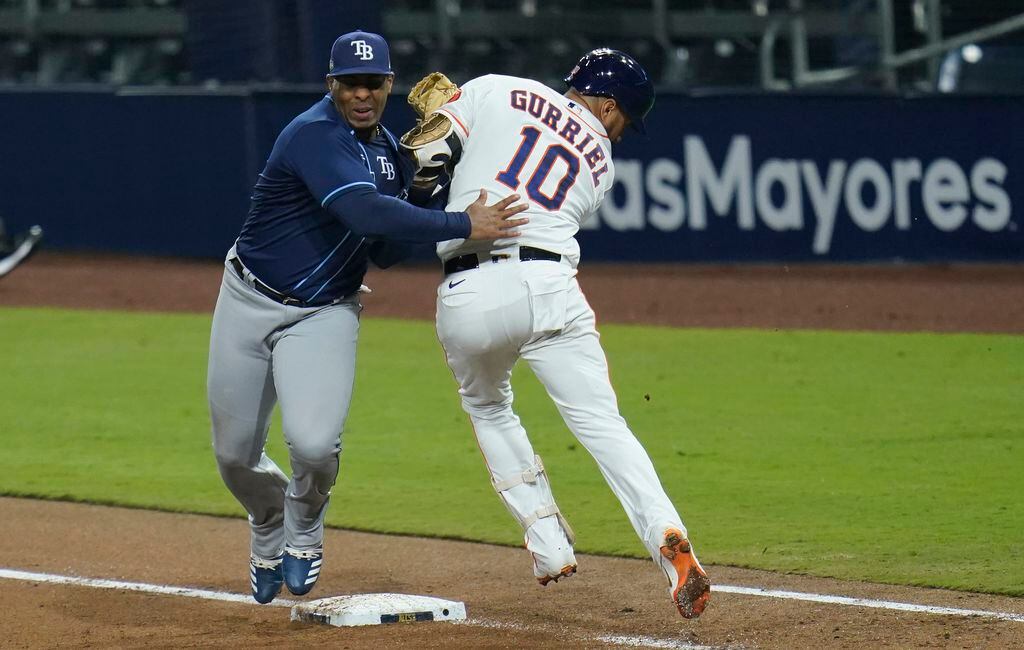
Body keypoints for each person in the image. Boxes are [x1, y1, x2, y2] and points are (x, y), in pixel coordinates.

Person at [207, 30, 527, 605]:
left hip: (326, 311)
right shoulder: (312, 134)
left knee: (313, 444)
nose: (361, 94)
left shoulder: (390, 156)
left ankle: (303, 526)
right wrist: (460, 223)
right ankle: (268, 519)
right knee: (233, 456)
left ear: (388, 86)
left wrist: (426, 188)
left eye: (372, 83)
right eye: (349, 83)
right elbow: (361, 209)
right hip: (246, 300)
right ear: (331, 85)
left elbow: (384, 250)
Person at [400, 50, 711, 619]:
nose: (620, 133)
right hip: (552, 287)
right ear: (609, 106)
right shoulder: (600, 165)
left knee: (489, 407)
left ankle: (547, 545)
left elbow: (429, 151)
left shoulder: (498, 86)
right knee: (603, 425)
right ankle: (669, 536)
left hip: (471, 290)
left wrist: (432, 164)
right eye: (623, 120)